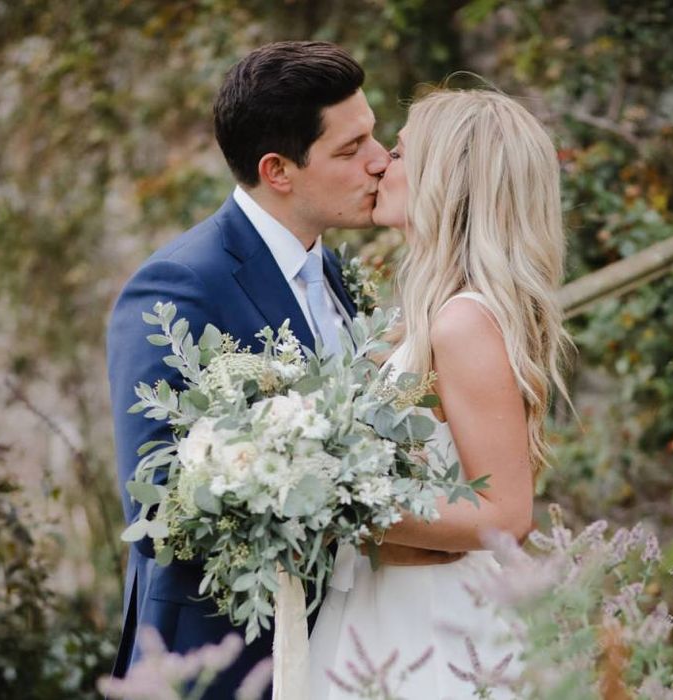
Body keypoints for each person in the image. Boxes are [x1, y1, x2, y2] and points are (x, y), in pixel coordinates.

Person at [106, 41, 459, 699]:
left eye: (375, 136)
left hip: (340, 646)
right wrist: (374, 538)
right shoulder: (178, 287)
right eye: (350, 150)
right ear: (278, 170)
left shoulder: (336, 275)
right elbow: (159, 510)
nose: (381, 161)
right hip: (219, 658)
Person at [309, 88, 573, 699]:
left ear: (444, 180)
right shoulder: (434, 317)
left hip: (430, 625)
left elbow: (507, 513)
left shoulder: (464, 322)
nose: (379, 163)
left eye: (398, 153)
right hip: (389, 605)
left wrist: (344, 509)